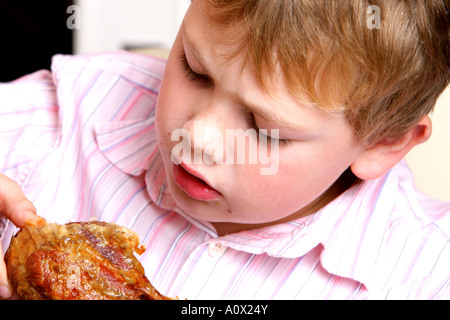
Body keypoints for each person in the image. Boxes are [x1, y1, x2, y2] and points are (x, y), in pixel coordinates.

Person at [0, 0, 448, 299]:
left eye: (265, 128)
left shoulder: (425, 276)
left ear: (384, 142)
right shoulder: (68, 112)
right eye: (194, 69)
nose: (197, 135)